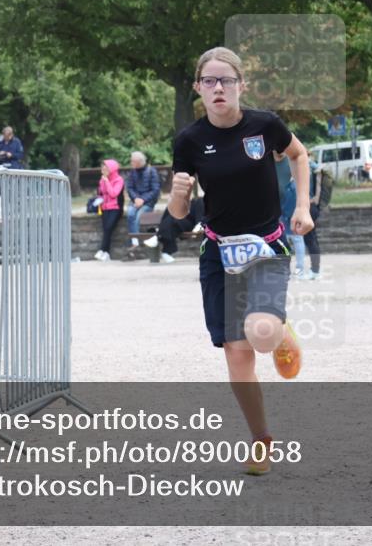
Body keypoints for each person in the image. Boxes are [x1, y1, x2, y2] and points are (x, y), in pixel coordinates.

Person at [169, 46, 314, 475]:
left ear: (241, 85)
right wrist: (177, 197)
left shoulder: (264, 125)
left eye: (226, 80)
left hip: (266, 246)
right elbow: (179, 216)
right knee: (236, 354)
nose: (219, 88)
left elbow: (299, 154)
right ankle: (261, 439)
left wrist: (302, 207)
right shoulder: (189, 141)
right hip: (219, 252)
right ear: (198, 88)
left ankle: (280, 333)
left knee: (261, 332)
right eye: (209, 81)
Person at [143, 197, 205, 263]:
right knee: (171, 219)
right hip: (176, 223)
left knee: (172, 220)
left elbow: (198, 217)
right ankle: (165, 250)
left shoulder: (198, 201)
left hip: (189, 224)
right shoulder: (178, 200)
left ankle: (158, 237)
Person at [124, 151, 161, 247]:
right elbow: (130, 188)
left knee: (138, 217)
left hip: (148, 202)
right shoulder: (132, 172)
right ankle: (134, 242)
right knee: (130, 214)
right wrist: (136, 198)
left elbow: (155, 190)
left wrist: (143, 200)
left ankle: (135, 242)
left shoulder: (152, 171)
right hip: (135, 201)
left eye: (133, 161)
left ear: (139, 162)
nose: (131, 163)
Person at [95, 159, 124, 262]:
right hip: (105, 208)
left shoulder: (119, 180)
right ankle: (106, 253)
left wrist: (106, 181)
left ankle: (103, 250)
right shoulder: (102, 179)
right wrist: (103, 181)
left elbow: (113, 194)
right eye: (103, 167)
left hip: (115, 208)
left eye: (106, 167)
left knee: (108, 228)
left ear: (112, 169)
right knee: (106, 229)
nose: (103, 169)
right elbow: (102, 192)